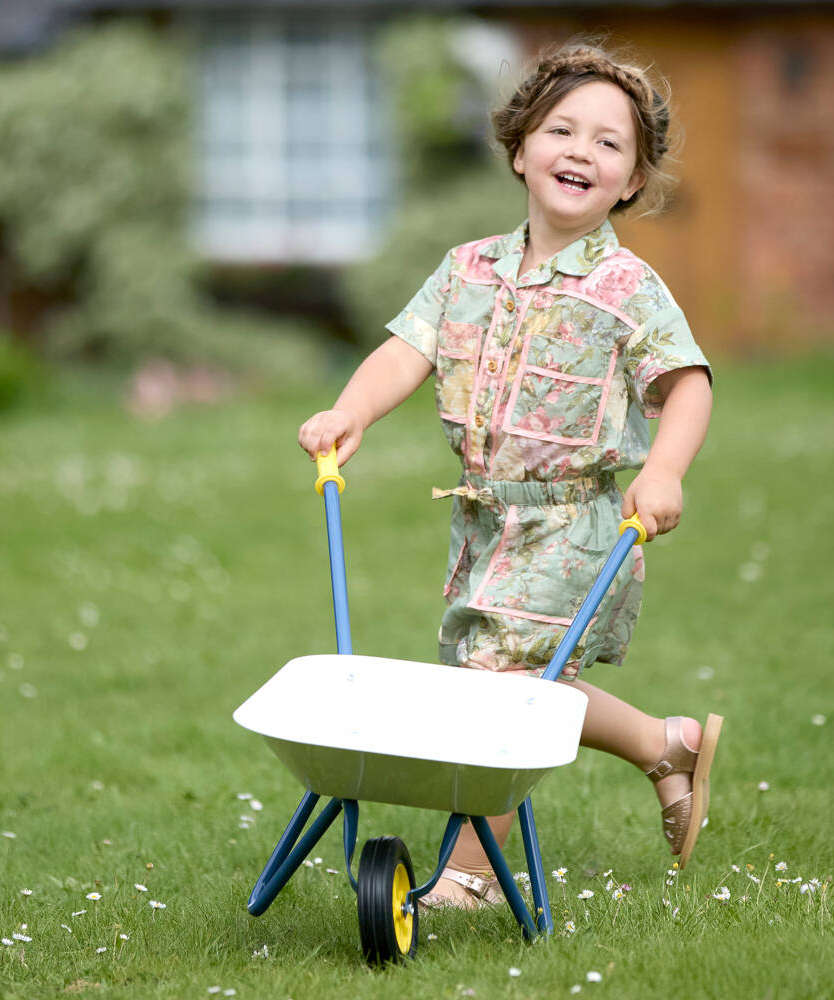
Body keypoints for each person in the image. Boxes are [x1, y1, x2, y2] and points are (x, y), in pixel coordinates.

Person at [299, 42, 722, 908]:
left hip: (575, 524)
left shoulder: (627, 286)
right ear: (520, 147)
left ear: (633, 180)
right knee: (509, 684)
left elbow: (688, 384)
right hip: (487, 520)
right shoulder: (467, 269)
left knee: (501, 696)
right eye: (561, 130)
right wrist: (351, 412)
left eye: (609, 143)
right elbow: (406, 351)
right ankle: (663, 744)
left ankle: (473, 871)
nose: (581, 151)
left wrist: (665, 471)